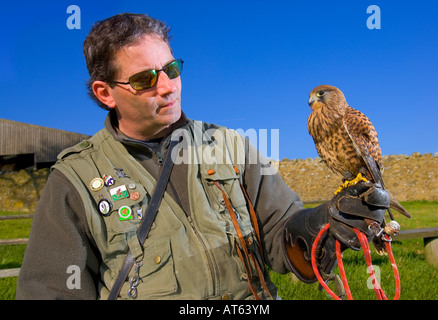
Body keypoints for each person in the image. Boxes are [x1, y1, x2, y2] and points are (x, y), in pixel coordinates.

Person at [16, 13, 390, 300]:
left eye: (171, 69)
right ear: (105, 93)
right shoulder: (75, 178)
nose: (166, 86)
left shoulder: (231, 146)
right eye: (145, 79)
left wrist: (324, 223)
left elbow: (282, 235)